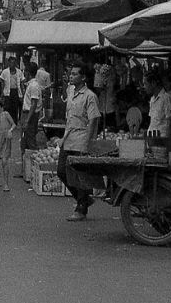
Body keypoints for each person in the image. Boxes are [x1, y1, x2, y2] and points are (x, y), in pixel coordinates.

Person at [57, 61, 100, 222]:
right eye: (71, 73)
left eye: (75, 74)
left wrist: (89, 142)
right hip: (69, 138)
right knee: (62, 171)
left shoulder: (90, 96)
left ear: (83, 77)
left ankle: (81, 208)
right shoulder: (70, 91)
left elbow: (94, 119)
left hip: (82, 138)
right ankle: (84, 199)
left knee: (80, 175)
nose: (71, 76)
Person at [20, 62, 43, 154]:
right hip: (27, 114)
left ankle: (32, 161)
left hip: (29, 115)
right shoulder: (31, 84)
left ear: (27, 72)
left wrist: (27, 120)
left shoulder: (34, 86)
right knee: (24, 140)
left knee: (30, 140)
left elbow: (33, 104)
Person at [0, 56, 24, 123]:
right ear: (8, 63)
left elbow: (21, 83)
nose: (12, 64)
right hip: (7, 92)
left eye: (13, 63)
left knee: (15, 108)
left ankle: (14, 122)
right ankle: (7, 121)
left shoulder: (19, 72)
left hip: (15, 92)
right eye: (11, 63)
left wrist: (22, 93)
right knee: (7, 108)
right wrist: (2, 93)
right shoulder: (5, 72)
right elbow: (2, 83)